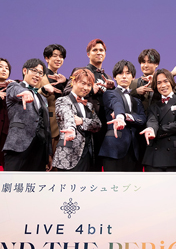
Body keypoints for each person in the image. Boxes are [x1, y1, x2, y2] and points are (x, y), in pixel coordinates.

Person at [3, 59, 52, 171]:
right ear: (25, 71)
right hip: (18, 145)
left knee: (35, 181)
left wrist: (48, 153)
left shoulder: (42, 98)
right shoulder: (14, 86)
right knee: (12, 180)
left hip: (40, 148)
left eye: (40, 73)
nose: (37, 75)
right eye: (34, 71)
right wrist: (25, 92)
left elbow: (47, 126)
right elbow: (15, 90)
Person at [140, 69, 176, 172]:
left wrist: (158, 130)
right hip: (154, 156)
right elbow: (152, 121)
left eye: (166, 81)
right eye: (159, 83)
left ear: (171, 82)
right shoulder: (153, 106)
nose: (163, 85)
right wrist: (151, 129)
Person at [99, 60, 147, 171]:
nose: (124, 76)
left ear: (133, 77)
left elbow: (142, 119)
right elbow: (117, 104)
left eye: (128, 73)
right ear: (114, 77)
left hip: (134, 151)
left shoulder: (137, 100)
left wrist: (126, 116)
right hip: (114, 149)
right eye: (120, 73)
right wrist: (119, 116)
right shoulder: (110, 93)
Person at [53, 67, 102, 171]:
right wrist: (71, 128)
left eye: (89, 85)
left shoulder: (89, 105)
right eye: (83, 83)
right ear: (73, 82)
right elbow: (67, 115)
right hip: (68, 155)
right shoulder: (63, 100)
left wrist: (82, 121)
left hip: (88, 155)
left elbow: (98, 124)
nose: (86, 88)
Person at [85, 38, 115, 170]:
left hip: (105, 124)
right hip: (88, 123)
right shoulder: (82, 72)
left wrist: (112, 89)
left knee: (102, 163)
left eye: (101, 50)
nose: (99, 52)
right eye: (95, 50)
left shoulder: (108, 77)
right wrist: (91, 90)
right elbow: (68, 91)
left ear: (105, 54)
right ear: (88, 54)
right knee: (89, 164)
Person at [129, 48, 161, 165]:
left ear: (156, 64)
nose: (145, 65)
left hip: (158, 130)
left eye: (149, 62)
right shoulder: (133, 83)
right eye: (143, 62)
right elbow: (122, 98)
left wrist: (157, 82)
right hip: (137, 130)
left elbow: (175, 95)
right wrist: (135, 92)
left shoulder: (163, 81)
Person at [40, 44, 68, 156]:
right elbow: (34, 96)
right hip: (48, 125)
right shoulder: (41, 77)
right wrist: (44, 90)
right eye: (55, 56)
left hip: (64, 126)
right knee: (48, 160)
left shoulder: (63, 79)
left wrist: (66, 82)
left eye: (61, 57)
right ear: (47, 58)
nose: (58, 59)